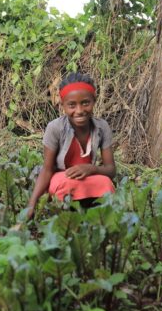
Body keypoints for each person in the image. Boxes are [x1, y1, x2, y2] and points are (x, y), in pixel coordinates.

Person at [25, 72, 116, 220]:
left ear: (94, 100)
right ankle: (67, 215)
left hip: (90, 177)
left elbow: (111, 170)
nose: (79, 111)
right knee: (64, 184)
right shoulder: (55, 128)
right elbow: (47, 169)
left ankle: (96, 216)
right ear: (62, 105)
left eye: (85, 103)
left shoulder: (102, 127)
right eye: (72, 105)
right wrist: (32, 204)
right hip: (63, 178)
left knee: (106, 183)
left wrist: (91, 168)